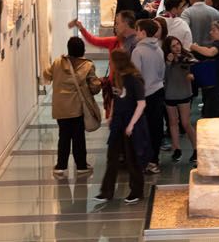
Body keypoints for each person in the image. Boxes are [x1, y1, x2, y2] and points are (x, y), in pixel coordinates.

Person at [95, 50, 148, 204]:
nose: (109, 63)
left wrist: (131, 124)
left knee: (132, 158)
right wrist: (111, 115)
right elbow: (115, 98)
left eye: (111, 61)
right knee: (112, 157)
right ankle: (106, 191)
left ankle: (137, 191)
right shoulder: (117, 78)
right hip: (118, 122)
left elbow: (141, 103)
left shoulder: (134, 79)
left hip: (131, 122)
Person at [43, 37, 100, 177]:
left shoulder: (58, 62)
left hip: (60, 107)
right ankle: (81, 166)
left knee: (64, 136)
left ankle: (60, 167)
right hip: (77, 108)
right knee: (78, 137)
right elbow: (94, 86)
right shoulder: (87, 66)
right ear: (83, 50)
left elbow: (47, 75)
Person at [132, 18, 166, 173]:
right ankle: (154, 160)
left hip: (144, 95)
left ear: (143, 32)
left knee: (143, 129)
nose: (135, 32)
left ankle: (143, 160)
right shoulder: (158, 49)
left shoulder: (138, 51)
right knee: (156, 127)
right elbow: (162, 72)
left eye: (137, 29)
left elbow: (136, 76)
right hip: (158, 91)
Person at [161, 35, 196, 163]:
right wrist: (168, 63)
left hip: (184, 93)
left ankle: (196, 148)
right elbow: (163, 76)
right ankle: (177, 149)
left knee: (186, 123)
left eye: (178, 44)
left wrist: (192, 75)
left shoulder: (187, 57)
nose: (177, 47)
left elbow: (193, 69)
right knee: (172, 122)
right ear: (168, 49)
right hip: (170, 94)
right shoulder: (165, 59)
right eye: (173, 46)